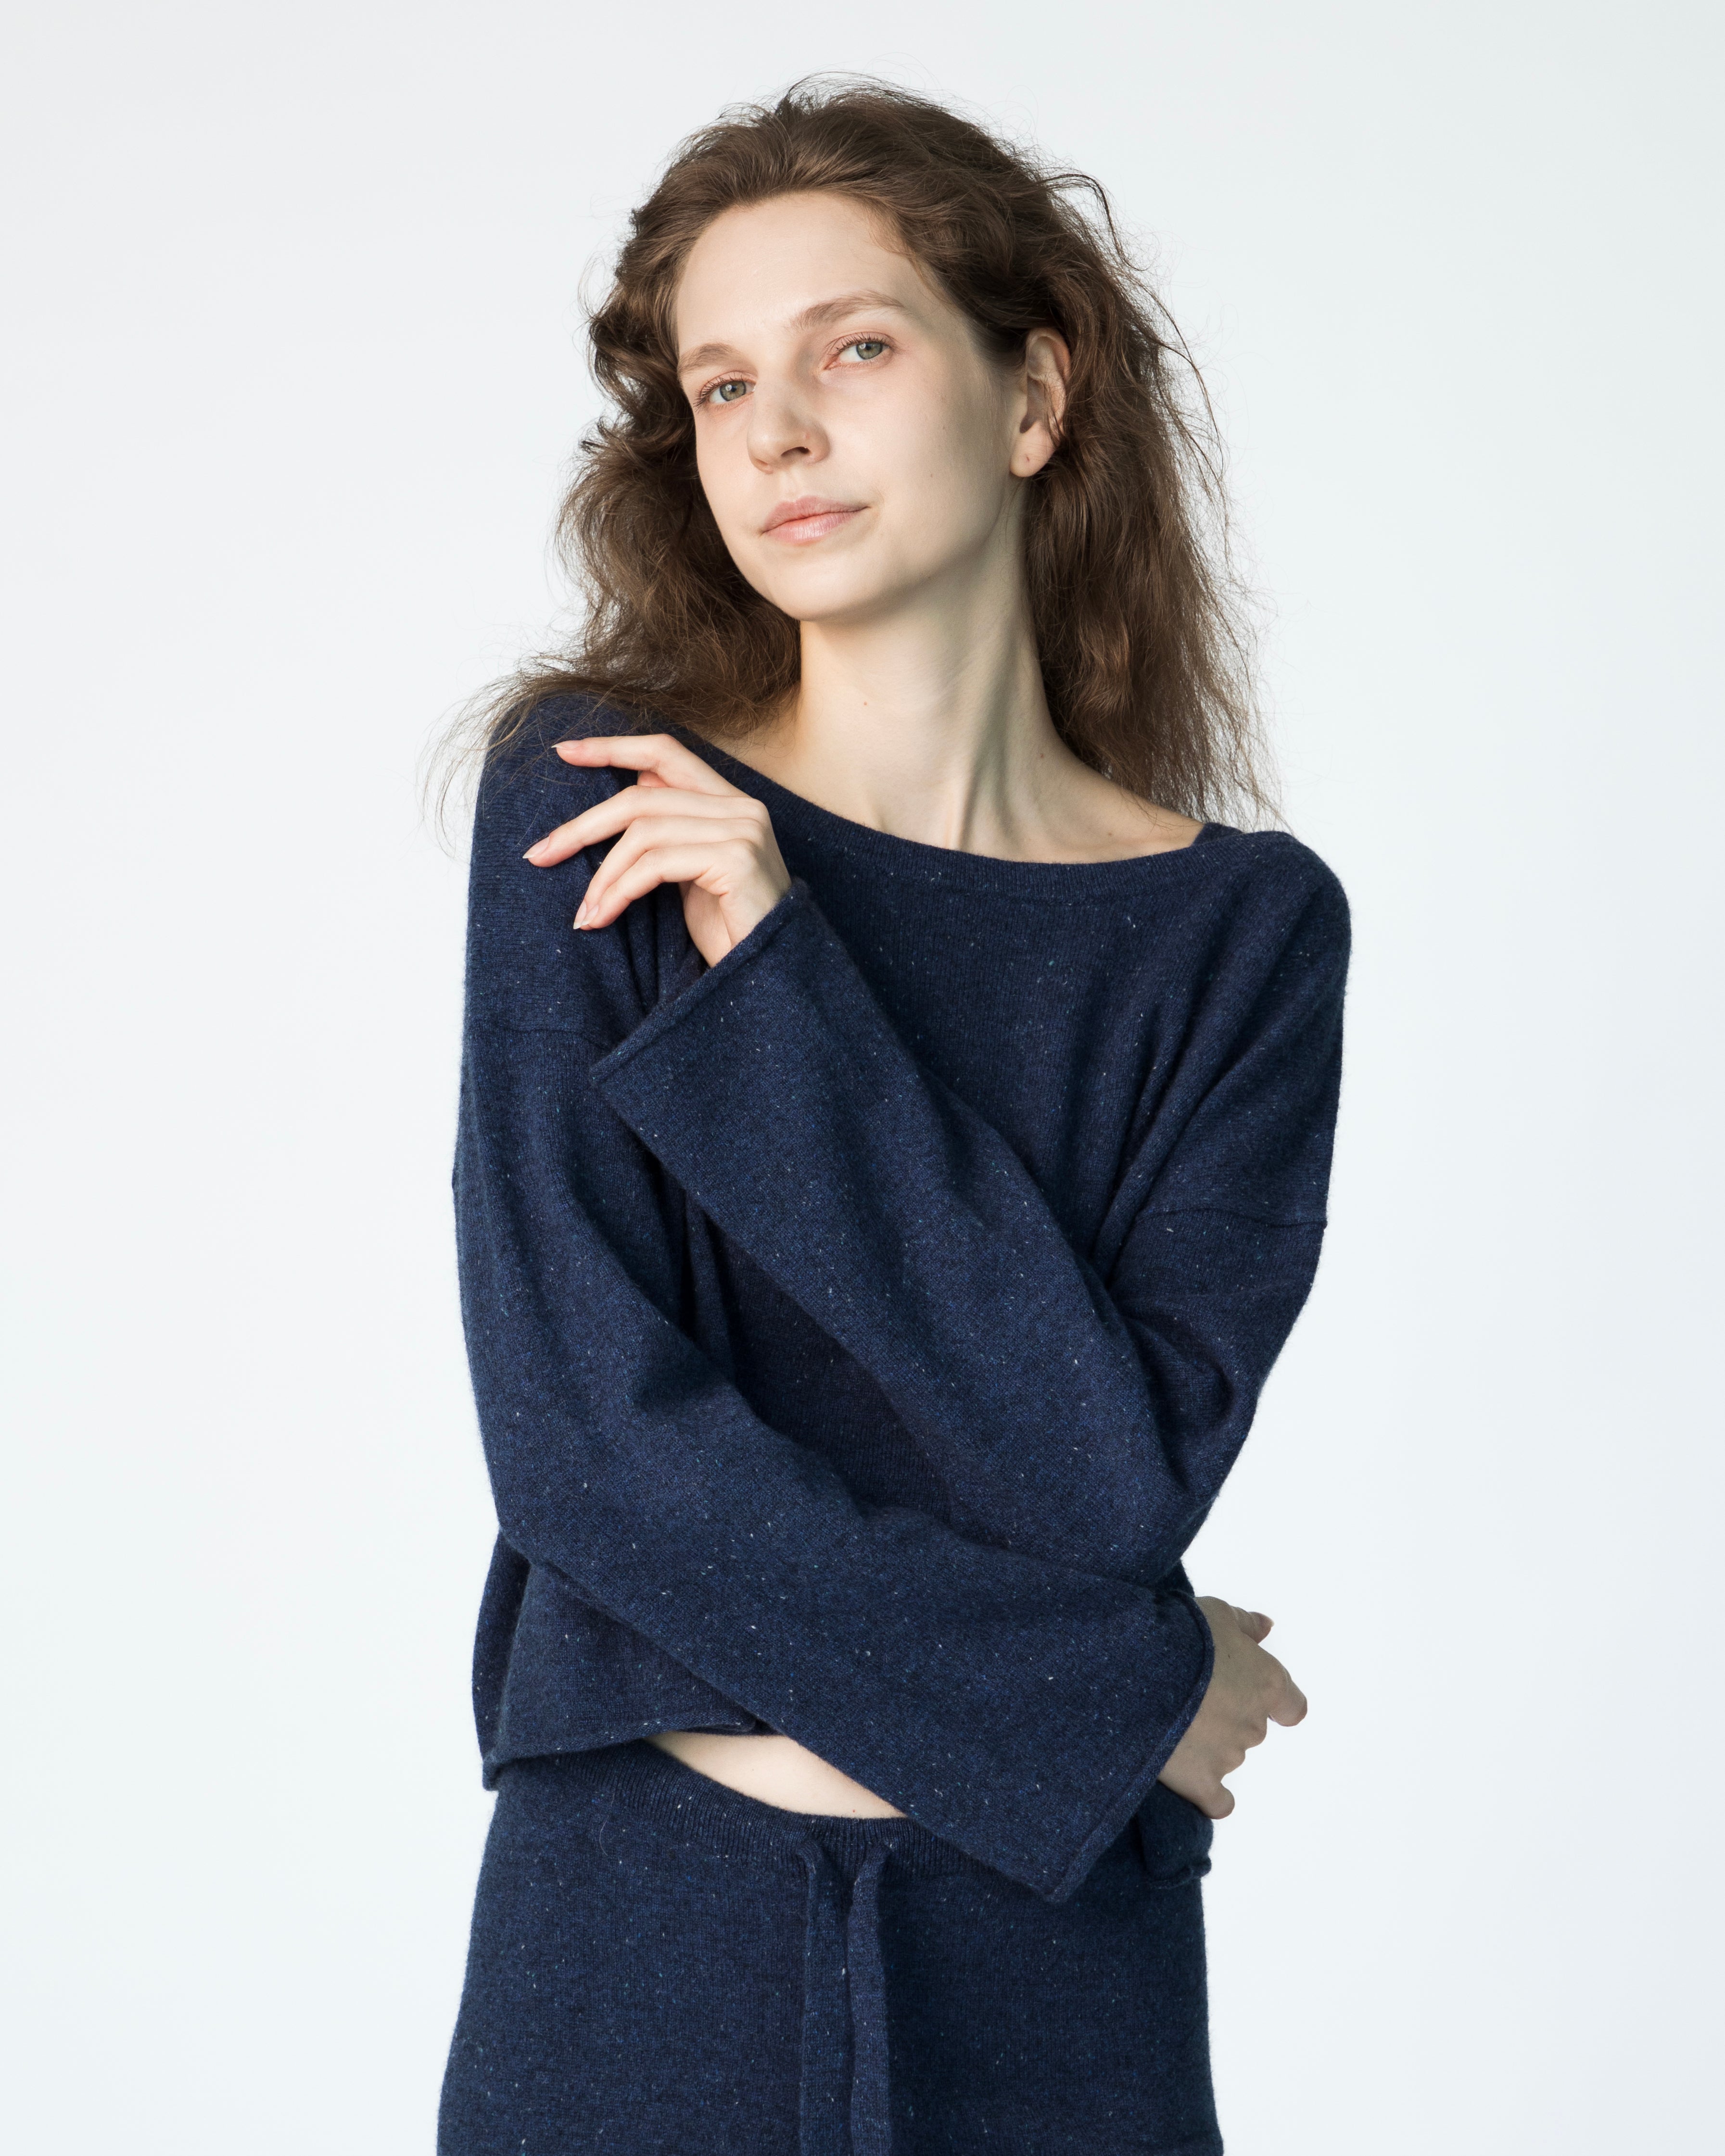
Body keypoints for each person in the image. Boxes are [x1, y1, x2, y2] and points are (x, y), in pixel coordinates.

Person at [435, 79, 1347, 2156]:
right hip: (641, 1936)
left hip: (1058, 1969)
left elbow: (1102, 1478)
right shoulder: (600, 804)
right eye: (718, 384)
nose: (773, 430)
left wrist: (782, 991)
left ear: (1033, 396)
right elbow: (591, 1457)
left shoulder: (1238, 934)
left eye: (852, 346)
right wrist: (1114, 1692)